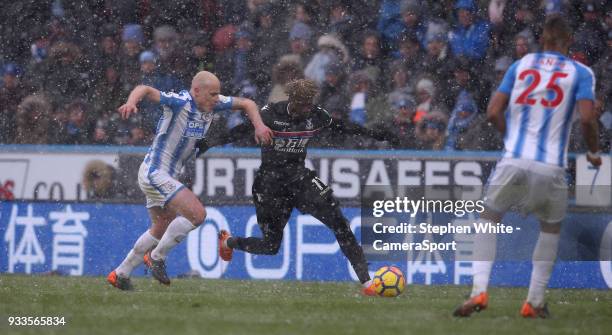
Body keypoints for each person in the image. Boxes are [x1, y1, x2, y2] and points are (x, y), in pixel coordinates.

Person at [453, 16, 601, 318]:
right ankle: (534, 301)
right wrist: (594, 152)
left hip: (514, 159)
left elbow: (493, 111)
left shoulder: (520, 65)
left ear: (542, 39)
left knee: (488, 219)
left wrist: (513, 139)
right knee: (550, 228)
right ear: (568, 41)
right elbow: (587, 118)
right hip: (551, 167)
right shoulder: (580, 72)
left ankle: (479, 291)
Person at [197, 79, 390, 295]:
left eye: (310, 104)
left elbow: (342, 125)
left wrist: (375, 134)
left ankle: (367, 282)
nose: (308, 109)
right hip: (269, 185)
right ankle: (229, 242)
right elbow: (240, 130)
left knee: (340, 223)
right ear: (293, 101)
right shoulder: (271, 114)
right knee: (270, 247)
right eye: (304, 105)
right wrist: (209, 142)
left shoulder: (316, 114)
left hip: (300, 179)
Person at [107, 71, 272, 290]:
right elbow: (145, 89)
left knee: (160, 226)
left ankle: (120, 274)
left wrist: (259, 126)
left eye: (218, 94)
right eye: (212, 94)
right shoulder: (179, 102)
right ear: (196, 91)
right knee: (198, 215)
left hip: (164, 175)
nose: (216, 98)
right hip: (155, 172)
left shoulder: (214, 104)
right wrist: (131, 102)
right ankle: (157, 257)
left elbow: (248, 103)